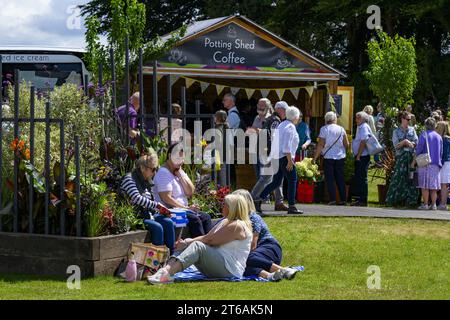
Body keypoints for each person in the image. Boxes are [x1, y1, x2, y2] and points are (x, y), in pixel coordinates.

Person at [147, 194, 253, 284]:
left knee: (196, 245)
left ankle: (167, 275)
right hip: (219, 264)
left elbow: (211, 240)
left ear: (232, 208)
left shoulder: (238, 226)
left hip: (230, 270)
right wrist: (186, 242)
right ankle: (164, 271)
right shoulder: (225, 221)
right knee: (185, 243)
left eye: (225, 204)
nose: (222, 206)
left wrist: (188, 243)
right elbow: (207, 237)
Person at [233, 189, 299, 281]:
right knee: (237, 267)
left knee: (244, 258)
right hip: (258, 257)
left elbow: (252, 245)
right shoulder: (235, 219)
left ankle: (282, 270)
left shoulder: (253, 218)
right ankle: (270, 276)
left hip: (269, 247)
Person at [153, 143, 213, 237]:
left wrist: (180, 175)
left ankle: (210, 244)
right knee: (195, 219)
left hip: (182, 209)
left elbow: (190, 191)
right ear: (169, 156)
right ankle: (200, 247)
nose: (181, 161)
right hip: (170, 211)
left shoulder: (178, 170)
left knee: (206, 217)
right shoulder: (164, 173)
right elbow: (166, 198)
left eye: (182, 159)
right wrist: (186, 208)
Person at [120, 153, 176, 254]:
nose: (154, 173)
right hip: (135, 217)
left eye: (156, 169)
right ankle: (157, 262)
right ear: (142, 168)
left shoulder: (146, 181)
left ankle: (170, 258)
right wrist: (157, 205)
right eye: (153, 169)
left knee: (169, 222)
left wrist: (162, 210)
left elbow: (150, 202)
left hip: (147, 215)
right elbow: (137, 198)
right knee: (158, 227)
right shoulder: (129, 179)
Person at [258, 106, 303, 214]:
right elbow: (287, 146)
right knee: (292, 180)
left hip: (277, 157)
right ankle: (292, 206)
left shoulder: (282, 124)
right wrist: (289, 160)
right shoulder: (290, 127)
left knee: (276, 182)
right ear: (296, 117)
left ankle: (259, 199)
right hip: (285, 157)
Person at [251, 101, 287, 212]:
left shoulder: (270, 118)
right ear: (280, 110)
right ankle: (253, 198)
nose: (286, 113)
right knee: (267, 177)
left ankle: (278, 202)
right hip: (270, 152)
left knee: (276, 178)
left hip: (266, 150)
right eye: (285, 110)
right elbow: (273, 136)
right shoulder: (275, 120)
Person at [313, 111, 349, 205]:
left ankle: (332, 199)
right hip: (340, 156)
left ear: (326, 120)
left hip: (328, 157)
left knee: (330, 179)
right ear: (334, 119)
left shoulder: (324, 129)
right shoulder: (341, 129)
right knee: (340, 178)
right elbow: (346, 144)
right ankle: (343, 199)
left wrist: (315, 158)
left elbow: (321, 144)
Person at [385, 111, 419, 207]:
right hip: (401, 158)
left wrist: (412, 144)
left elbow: (417, 143)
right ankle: (394, 200)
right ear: (402, 119)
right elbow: (396, 146)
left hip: (411, 158)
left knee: (411, 179)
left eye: (410, 119)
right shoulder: (396, 131)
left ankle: (411, 201)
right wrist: (405, 142)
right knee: (398, 178)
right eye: (407, 119)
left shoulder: (412, 130)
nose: (409, 121)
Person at [416, 117, 443, 210]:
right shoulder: (439, 137)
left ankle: (426, 204)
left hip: (425, 163)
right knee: (433, 186)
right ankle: (434, 204)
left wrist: (416, 156)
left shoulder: (424, 135)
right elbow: (441, 152)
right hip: (436, 163)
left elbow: (419, 148)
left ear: (426, 125)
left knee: (424, 186)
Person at [351, 111, 372, 206]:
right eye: (356, 117)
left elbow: (363, 141)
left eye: (358, 117)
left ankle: (362, 200)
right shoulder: (361, 127)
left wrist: (358, 155)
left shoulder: (363, 127)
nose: (356, 119)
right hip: (361, 156)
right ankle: (359, 199)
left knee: (362, 178)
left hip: (362, 156)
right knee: (359, 177)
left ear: (363, 119)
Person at [249, 98, 273, 179]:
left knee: (264, 176)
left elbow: (272, 135)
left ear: (267, 106)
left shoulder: (271, 118)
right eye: (258, 105)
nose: (259, 107)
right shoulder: (257, 118)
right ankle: (261, 192)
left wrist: (260, 131)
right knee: (258, 175)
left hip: (266, 151)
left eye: (262, 105)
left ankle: (266, 192)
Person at [436, 121, 450, 210]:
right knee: (444, 185)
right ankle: (442, 203)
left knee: (443, 185)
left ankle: (443, 204)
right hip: (448, 162)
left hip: (444, 163)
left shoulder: (443, 139)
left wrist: (440, 163)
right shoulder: (448, 139)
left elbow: (443, 153)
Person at [214, 110, 229, 187]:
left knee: (217, 177)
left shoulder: (217, 128)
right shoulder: (227, 127)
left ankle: (220, 194)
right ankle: (224, 193)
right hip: (225, 154)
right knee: (223, 176)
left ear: (217, 118)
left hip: (218, 154)